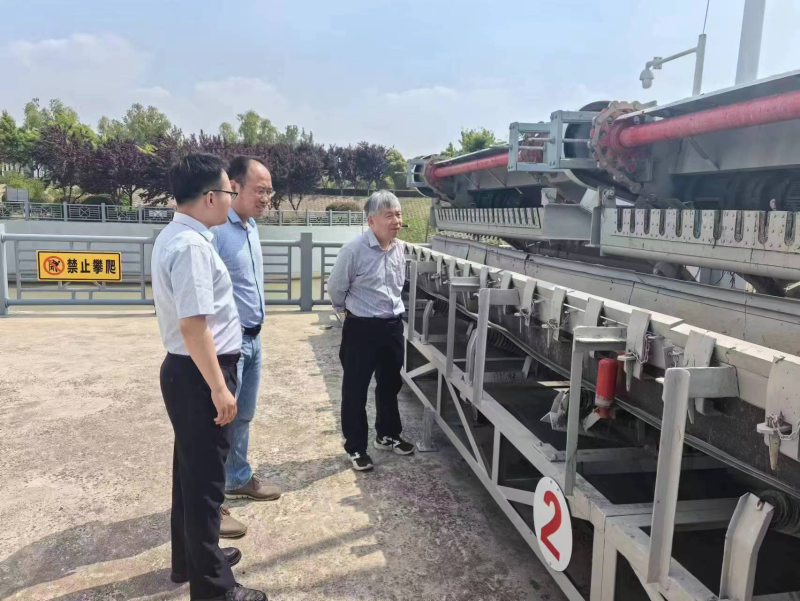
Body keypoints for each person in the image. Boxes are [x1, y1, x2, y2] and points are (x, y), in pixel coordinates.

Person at [152, 153, 267, 601]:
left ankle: (193, 560)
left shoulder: (177, 236)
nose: (232, 199)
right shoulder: (193, 248)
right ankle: (215, 589)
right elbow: (193, 325)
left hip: (189, 371)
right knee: (205, 485)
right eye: (228, 191)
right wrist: (220, 387)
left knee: (190, 474)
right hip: (202, 373)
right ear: (210, 197)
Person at [212, 156, 282, 540]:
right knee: (220, 421)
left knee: (244, 415)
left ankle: (237, 478)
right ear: (234, 187)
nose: (266, 198)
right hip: (229, 343)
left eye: (269, 191)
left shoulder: (251, 227)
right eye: (260, 190)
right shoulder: (216, 231)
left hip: (254, 338)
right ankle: (212, 503)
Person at [327, 190, 415, 471]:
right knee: (356, 389)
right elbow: (336, 288)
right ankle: (356, 447)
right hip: (361, 328)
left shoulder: (400, 248)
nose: (396, 221)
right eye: (389, 215)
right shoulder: (354, 250)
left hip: (392, 326)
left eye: (398, 214)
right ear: (371, 221)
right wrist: (346, 312)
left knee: (390, 385)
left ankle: (387, 435)